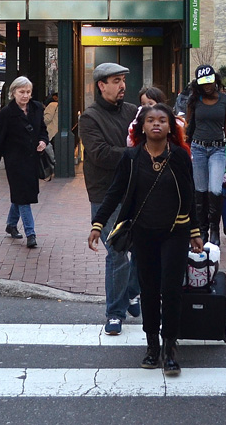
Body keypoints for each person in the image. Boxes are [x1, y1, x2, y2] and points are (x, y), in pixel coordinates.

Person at [89, 103, 200, 378]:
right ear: (142, 126)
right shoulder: (131, 157)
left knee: (171, 290)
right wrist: (98, 224)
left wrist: (195, 231)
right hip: (144, 233)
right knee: (149, 291)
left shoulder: (179, 156)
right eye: (151, 120)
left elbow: (190, 195)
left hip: (175, 231)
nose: (156, 124)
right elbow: (114, 193)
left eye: (162, 120)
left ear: (170, 127)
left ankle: (170, 349)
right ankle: (152, 347)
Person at [79, 62, 141, 335]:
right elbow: (100, 154)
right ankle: (115, 313)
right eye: (116, 81)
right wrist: (135, 154)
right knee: (117, 253)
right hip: (105, 195)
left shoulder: (133, 112)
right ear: (101, 85)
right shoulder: (89, 118)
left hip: (136, 191)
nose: (122, 86)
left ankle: (131, 292)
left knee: (143, 249)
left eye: (123, 80)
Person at [0, 76, 49, 249]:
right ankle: (31, 234)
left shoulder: (36, 108)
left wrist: (43, 141)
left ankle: (11, 224)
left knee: (20, 195)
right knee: (23, 197)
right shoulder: (7, 113)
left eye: (28, 92)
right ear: (13, 92)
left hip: (32, 160)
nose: (25, 95)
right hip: (15, 162)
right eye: (22, 92)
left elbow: (43, 130)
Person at [186, 65, 226, 245]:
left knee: (215, 189)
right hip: (197, 148)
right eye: (203, 83)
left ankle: (215, 229)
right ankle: (202, 230)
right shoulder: (194, 100)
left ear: (215, 80)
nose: (207, 86)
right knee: (199, 190)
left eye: (210, 82)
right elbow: (187, 125)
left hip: (217, 149)